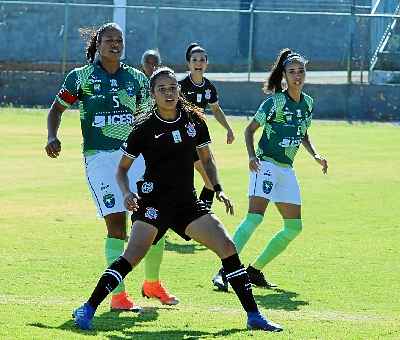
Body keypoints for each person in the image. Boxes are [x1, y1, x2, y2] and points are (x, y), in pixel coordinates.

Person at [71, 67, 283, 332]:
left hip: (186, 204)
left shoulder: (194, 121)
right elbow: (122, 169)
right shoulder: (143, 127)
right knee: (131, 257)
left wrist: (217, 188)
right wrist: (126, 193)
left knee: (227, 247)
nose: (169, 93)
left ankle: (254, 316)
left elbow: (206, 160)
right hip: (152, 203)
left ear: (178, 90)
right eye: (162, 89)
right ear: (153, 94)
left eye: (172, 88)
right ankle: (88, 308)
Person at [45, 23, 178, 311]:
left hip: (135, 158)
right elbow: (56, 109)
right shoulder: (80, 78)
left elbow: (149, 117)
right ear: (98, 43)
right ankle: (118, 297)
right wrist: (52, 135)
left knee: (154, 222)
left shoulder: (137, 79)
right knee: (116, 226)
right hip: (100, 160)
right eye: (109, 40)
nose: (115, 44)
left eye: (119, 40)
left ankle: (152, 283)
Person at [212, 49, 328, 292]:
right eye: (292, 72)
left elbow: (302, 133)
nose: (297, 76)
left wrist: (315, 155)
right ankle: (223, 272)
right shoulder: (274, 102)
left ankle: (254, 270)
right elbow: (249, 130)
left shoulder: (308, 103)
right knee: (255, 217)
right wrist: (252, 157)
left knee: (294, 227)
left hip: (286, 169)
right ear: (284, 76)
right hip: (265, 164)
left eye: (301, 71)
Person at [179, 43, 235, 208]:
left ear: (206, 63)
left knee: (211, 179)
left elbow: (216, 110)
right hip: (181, 138)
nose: (198, 63)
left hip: (199, 137)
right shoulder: (180, 87)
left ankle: (202, 214)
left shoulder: (209, 87)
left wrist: (229, 128)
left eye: (202, 60)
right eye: (194, 60)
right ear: (188, 64)